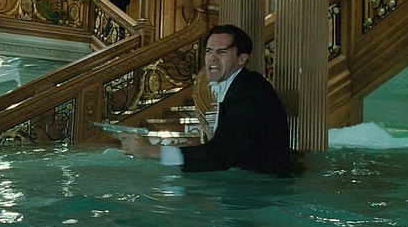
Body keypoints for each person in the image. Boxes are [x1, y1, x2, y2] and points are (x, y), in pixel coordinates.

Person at [118, 24, 293, 175]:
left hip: (265, 187)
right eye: (209, 51)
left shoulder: (250, 90)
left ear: (242, 59)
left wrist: (152, 151)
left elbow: (223, 154)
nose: (212, 57)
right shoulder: (237, 85)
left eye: (221, 51)